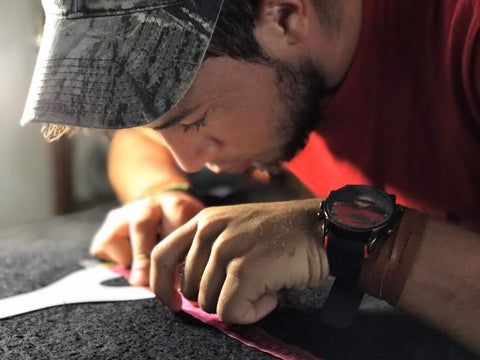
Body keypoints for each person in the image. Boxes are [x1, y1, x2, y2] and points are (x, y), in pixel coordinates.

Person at [21, 0, 479, 353]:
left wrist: (356, 243)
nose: (188, 161)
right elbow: (138, 142)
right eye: (159, 122)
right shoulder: (268, 70)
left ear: (283, 15)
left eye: (196, 121)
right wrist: (160, 193)